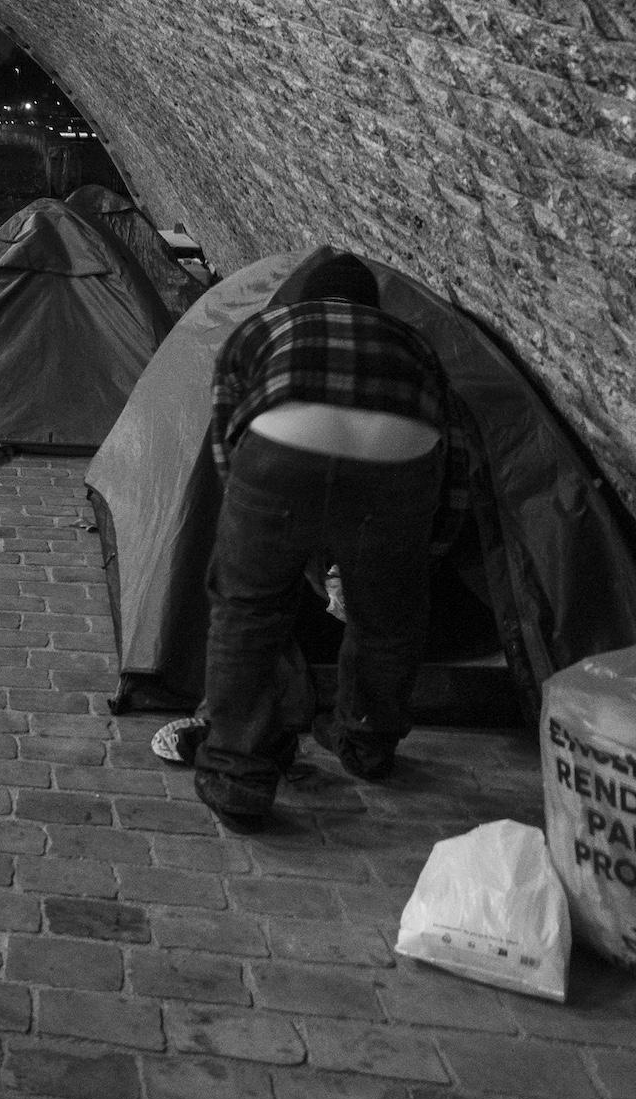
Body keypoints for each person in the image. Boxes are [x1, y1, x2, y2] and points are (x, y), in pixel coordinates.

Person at [193, 252, 475, 832]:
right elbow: (455, 462)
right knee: (387, 622)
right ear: (372, 308)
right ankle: (367, 745)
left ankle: (238, 777)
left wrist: (254, 518)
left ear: (307, 299)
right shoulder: (414, 343)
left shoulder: (265, 326)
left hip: (281, 447)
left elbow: (226, 438)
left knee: (247, 613)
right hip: (398, 458)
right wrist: (422, 555)